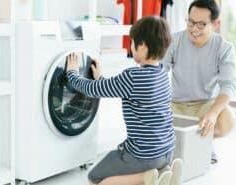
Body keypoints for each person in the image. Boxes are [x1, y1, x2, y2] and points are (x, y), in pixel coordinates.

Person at [66, 16, 177, 185]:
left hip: (143, 156)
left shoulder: (132, 77)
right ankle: (163, 171)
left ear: (143, 46)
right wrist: (101, 78)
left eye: (132, 42)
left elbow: (92, 90)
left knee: (95, 178)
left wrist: (72, 74)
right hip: (166, 151)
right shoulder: (162, 74)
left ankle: (147, 177)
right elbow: (113, 88)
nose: (131, 46)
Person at [161, 0, 236, 163]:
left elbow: (228, 86)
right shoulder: (174, 41)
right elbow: (159, 72)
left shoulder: (225, 48)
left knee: (228, 119)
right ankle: (187, 148)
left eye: (201, 25)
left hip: (205, 106)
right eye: (190, 22)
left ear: (216, 24)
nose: (194, 29)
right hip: (175, 104)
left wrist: (213, 113)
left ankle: (200, 145)